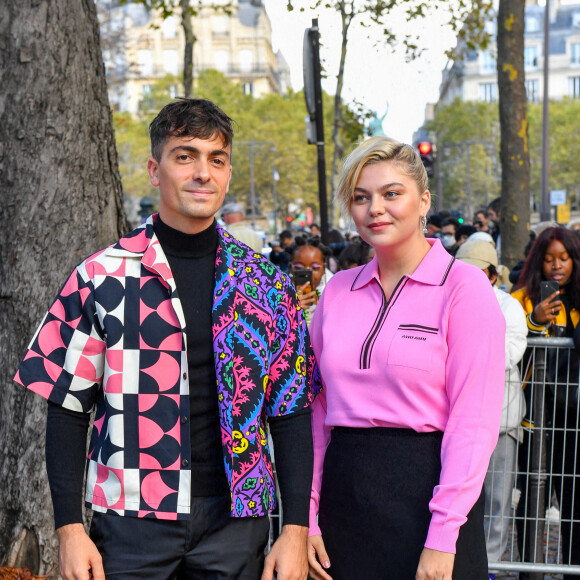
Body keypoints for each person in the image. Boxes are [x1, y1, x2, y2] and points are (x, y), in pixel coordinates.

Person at [14, 98, 316, 580]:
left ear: (229, 173)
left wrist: (295, 529)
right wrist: (70, 530)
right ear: (155, 170)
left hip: (237, 521)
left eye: (216, 160)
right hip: (131, 521)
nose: (203, 173)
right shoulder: (100, 276)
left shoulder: (266, 285)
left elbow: (292, 412)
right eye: (185, 156)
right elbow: (66, 408)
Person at [306, 136, 505, 580]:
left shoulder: (464, 289)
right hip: (343, 504)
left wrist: (442, 536)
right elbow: (316, 414)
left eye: (391, 193)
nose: (375, 208)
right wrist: (307, 515)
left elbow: (473, 423)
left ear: (423, 202)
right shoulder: (336, 292)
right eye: (361, 197)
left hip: (428, 503)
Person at [511, 226, 580, 578]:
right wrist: (535, 321)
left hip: (574, 419)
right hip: (533, 417)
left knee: (572, 502)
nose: (557, 266)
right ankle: (529, 571)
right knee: (531, 500)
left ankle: (572, 568)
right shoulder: (521, 298)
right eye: (550, 258)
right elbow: (508, 348)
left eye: (564, 259)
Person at [455, 240, 527, 568]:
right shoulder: (447, 298)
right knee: (457, 502)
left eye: (477, 272)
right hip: (454, 425)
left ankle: (491, 567)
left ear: (493, 276)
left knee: (497, 502)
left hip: (500, 422)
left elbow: (511, 351)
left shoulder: (508, 306)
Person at [291, 238, 333, 325]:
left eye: (315, 268)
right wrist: (291, 311)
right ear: (291, 268)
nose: (308, 273)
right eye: (299, 267)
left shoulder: (330, 300)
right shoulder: (281, 300)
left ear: (324, 268)